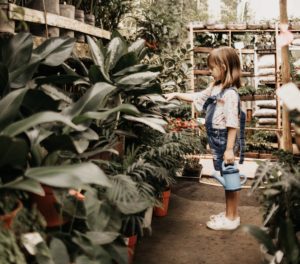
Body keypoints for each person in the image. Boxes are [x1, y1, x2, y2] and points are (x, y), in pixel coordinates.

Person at [165, 46, 246, 231]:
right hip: (217, 139)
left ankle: (232, 218)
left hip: (225, 140)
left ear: (224, 67)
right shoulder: (215, 87)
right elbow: (197, 97)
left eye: (212, 67)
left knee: (230, 179)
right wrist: (176, 94)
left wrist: (228, 149)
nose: (210, 71)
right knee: (228, 178)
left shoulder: (231, 94)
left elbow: (233, 124)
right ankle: (229, 214)